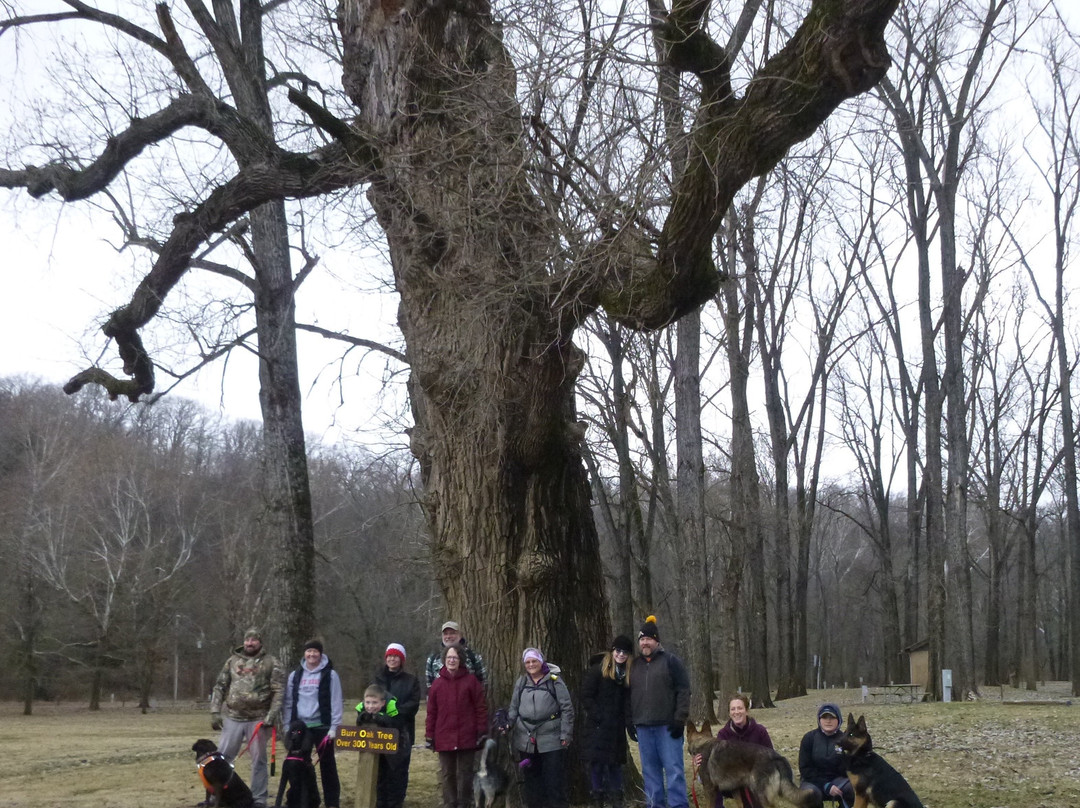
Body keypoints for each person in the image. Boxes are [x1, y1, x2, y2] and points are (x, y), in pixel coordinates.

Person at [209, 627, 284, 808]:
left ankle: (259, 799)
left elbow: (279, 691)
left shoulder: (271, 663)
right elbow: (220, 685)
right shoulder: (232, 661)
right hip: (233, 717)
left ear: (260, 642)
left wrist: (271, 716)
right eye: (247, 640)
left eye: (254, 640)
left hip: (258, 719)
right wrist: (215, 711)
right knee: (223, 758)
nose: (250, 643)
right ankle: (219, 795)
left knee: (259, 760)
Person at [629, 616, 691, 808]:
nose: (645, 643)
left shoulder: (671, 661)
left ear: (657, 641)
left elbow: (684, 689)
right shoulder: (634, 665)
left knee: (673, 771)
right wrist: (630, 721)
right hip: (644, 728)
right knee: (650, 772)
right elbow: (627, 696)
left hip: (668, 727)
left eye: (649, 639)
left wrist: (679, 719)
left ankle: (678, 805)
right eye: (642, 639)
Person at [508, 647, 575, 808]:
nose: (531, 665)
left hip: (551, 739)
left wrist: (566, 734)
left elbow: (567, 709)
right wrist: (507, 724)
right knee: (531, 779)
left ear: (541, 661)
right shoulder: (522, 682)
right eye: (528, 662)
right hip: (526, 741)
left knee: (553, 780)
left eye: (534, 661)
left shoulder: (554, 681)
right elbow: (514, 707)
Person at [282, 639, 345, 808]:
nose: (311, 655)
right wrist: (287, 726)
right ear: (304, 653)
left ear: (321, 654)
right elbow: (288, 702)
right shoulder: (295, 676)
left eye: (315, 652)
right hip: (301, 728)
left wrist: (334, 727)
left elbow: (336, 702)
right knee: (300, 766)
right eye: (308, 651)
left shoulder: (330, 675)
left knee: (327, 766)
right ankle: (305, 800)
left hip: (322, 727)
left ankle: (332, 802)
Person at [425, 644, 488, 808]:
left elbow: (480, 707)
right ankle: (449, 803)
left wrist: (481, 730)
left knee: (465, 773)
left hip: (467, 735)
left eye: (455, 657)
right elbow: (431, 712)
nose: (452, 660)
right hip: (444, 735)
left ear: (461, 660)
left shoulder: (471, 681)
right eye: (449, 658)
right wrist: (429, 735)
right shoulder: (437, 684)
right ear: (444, 661)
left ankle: (464, 803)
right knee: (447, 774)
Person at [691, 694, 773, 807]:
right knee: (710, 777)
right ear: (729, 713)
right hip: (732, 779)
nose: (736, 712)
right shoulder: (723, 734)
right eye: (733, 709)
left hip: (755, 778)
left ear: (746, 710)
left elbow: (770, 757)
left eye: (740, 708)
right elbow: (716, 764)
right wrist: (699, 761)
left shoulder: (760, 731)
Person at [581, 636, 634, 808]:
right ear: (612, 651)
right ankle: (598, 800)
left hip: (616, 729)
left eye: (625, 652)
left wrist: (629, 724)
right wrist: (599, 716)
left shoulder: (627, 675)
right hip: (598, 727)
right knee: (597, 764)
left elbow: (627, 703)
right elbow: (586, 696)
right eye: (618, 651)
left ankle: (617, 800)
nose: (620, 654)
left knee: (615, 765)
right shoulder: (598, 670)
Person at [373, 643, 421, 805]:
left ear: (402, 659)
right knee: (381, 774)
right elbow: (370, 700)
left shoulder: (411, 681)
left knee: (398, 774)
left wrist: (392, 715)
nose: (392, 659)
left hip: (402, 735)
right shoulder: (377, 678)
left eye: (396, 656)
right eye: (389, 656)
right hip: (379, 734)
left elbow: (412, 706)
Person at [357, 683, 410, 808]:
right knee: (379, 780)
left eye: (374, 703)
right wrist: (362, 717)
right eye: (368, 702)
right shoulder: (361, 707)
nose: (370, 706)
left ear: (382, 703)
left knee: (393, 781)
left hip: (397, 751)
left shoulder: (392, 706)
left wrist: (380, 718)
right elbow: (359, 723)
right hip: (377, 750)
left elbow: (397, 723)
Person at [799, 703, 854, 806]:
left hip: (838, 781)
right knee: (810, 794)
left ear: (839, 719)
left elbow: (850, 769)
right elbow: (805, 769)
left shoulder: (845, 740)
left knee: (853, 789)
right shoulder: (809, 738)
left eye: (832, 717)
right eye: (824, 717)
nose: (828, 721)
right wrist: (826, 785)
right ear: (819, 720)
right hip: (812, 781)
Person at [425, 621, 487, 687]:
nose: (448, 636)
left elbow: (482, 683)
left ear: (460, 635)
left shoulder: (473, 656)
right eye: (445, 634)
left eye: (452, 633)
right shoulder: (433, 658)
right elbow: (430, 686)